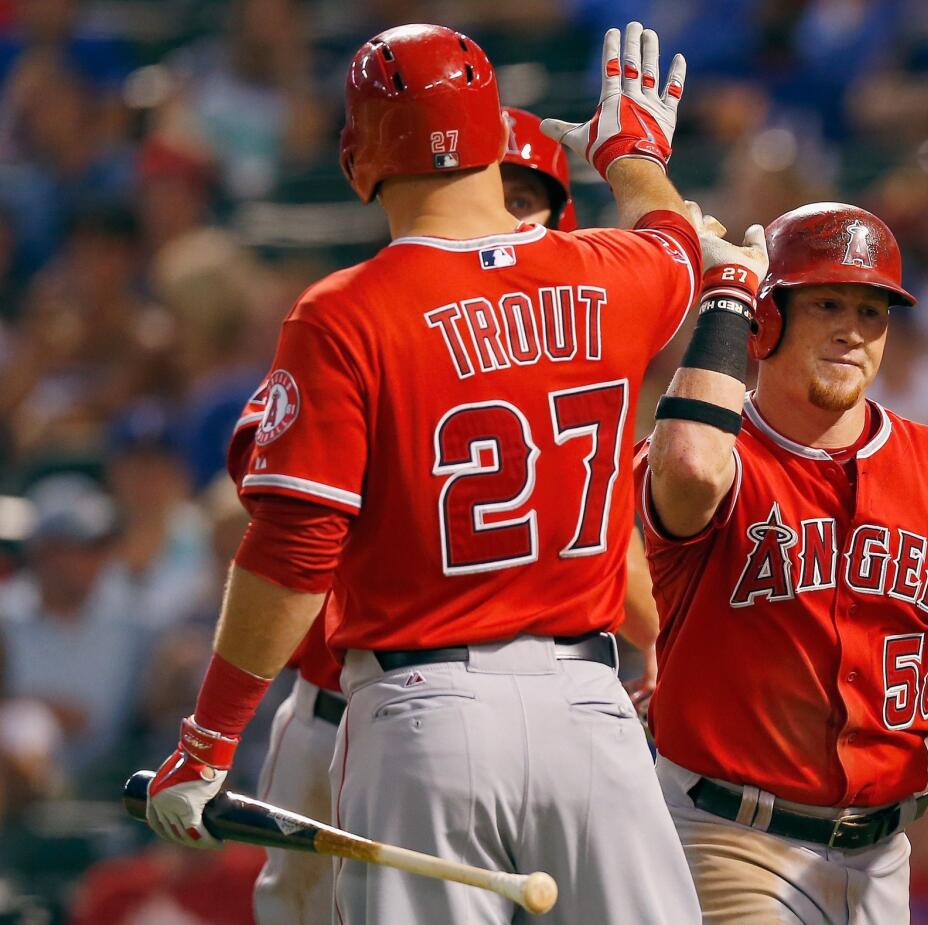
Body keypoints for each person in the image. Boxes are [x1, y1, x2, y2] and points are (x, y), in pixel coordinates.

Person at [143, 21, 704, 925]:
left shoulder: (344, 315)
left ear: (356, 155)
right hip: (588, 708)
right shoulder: (614, 275)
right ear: (494, 136)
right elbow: (679, 237)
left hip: (422, 714)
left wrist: (208, 741)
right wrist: (631, 151)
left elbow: (295, 549)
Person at [240, 100, 663, 925]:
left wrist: (661, 645)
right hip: (350, 709)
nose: (498, 209)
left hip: (446, 715)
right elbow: (288, 517)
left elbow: (612, 541)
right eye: (485, 184)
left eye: (522, 195)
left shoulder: (563, 323)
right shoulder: (366, 319)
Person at [636, 202, 928, 923]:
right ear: (768, 321)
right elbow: (692, 468)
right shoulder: (716, 458)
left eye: (873, 309)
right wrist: (728, 293)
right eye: (826, 303)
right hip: (726, 835)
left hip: (885, 853)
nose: (854, 330)